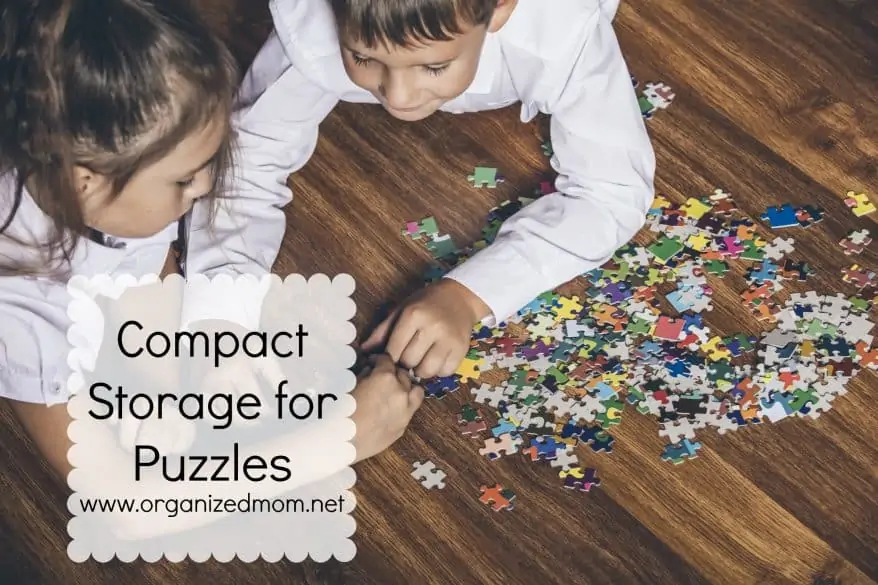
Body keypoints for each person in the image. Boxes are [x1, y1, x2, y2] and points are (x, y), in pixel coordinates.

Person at [0, 0, 423, 540]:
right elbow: (125, 511)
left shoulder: (106, 170)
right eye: (184, 180)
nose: (204, 190)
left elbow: (146, 264)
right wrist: (340, 438)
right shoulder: (19, 308)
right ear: (85, 182)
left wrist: (169, 377)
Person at [181, 0, 656, 381]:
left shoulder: (563, 31)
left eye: (432, 66)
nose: (397, 97)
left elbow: (611, 190)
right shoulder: (319, 20)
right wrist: (221, 315)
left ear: (501, 9)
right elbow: (247, 161)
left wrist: (470, 295)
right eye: (364, 57)